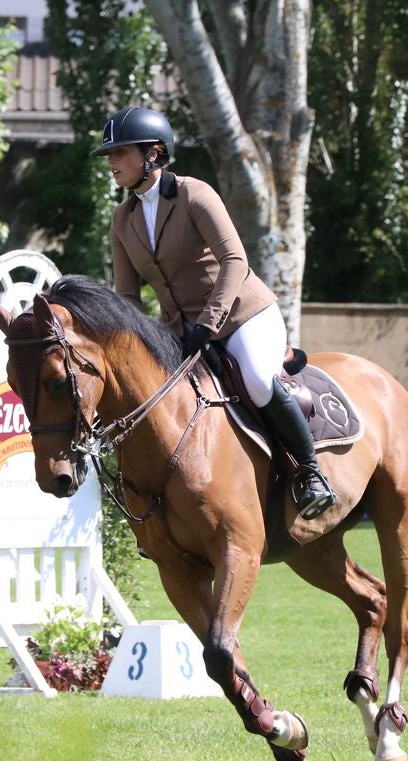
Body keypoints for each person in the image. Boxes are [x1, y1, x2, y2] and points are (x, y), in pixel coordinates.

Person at [91, 106, 336, 520]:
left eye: (120, 152)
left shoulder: (194, 194)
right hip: (180, 331)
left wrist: (207, 324)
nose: (112, 162)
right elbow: (127, 297)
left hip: (242, 314)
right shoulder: (123, 219)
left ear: (152, 154)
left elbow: (235, 261)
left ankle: (312, 474)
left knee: (258, 380)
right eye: (109, 155)